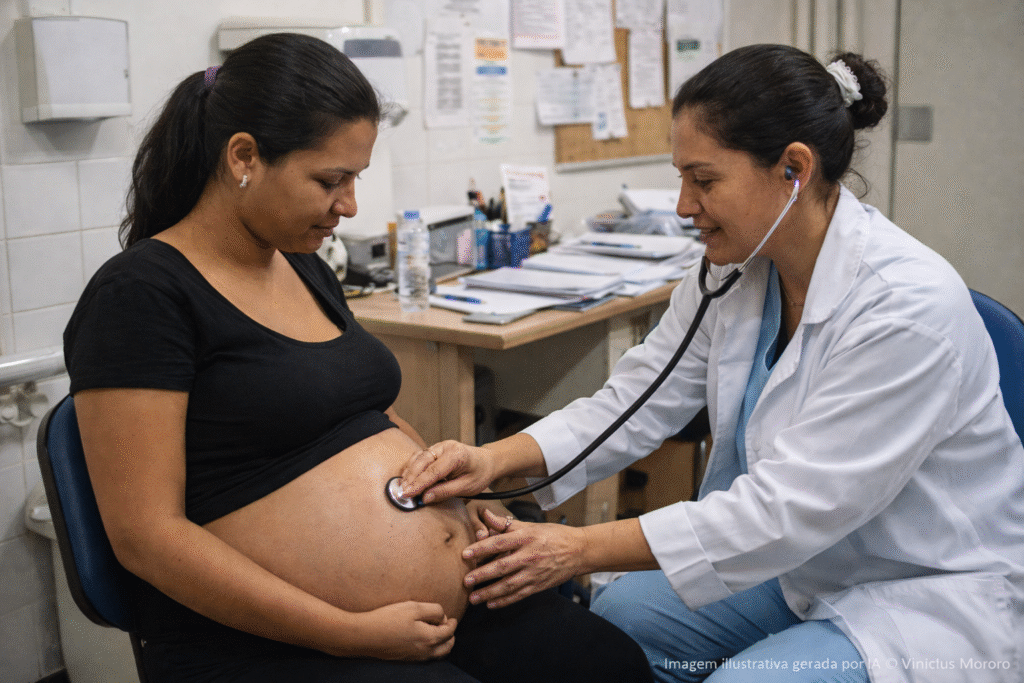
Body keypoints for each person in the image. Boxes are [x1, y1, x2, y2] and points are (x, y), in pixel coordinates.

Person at [398, 44, 1024, 682]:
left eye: (704, 181)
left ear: (794, 169)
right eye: (681, 179)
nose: (682, 206)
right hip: (804, 567)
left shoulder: (907, 308)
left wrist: (577, 548)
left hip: (923, 589)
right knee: (618, 624)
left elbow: (789, 509)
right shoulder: (735, 274)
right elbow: (634, 404)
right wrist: (492, 460)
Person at [63, 33, 654, 683]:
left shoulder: (303, 266)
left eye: (355, 179)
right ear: (244, 157)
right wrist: (344, 631)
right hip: (266, 640)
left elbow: (363, 413)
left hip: (436, 606)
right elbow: (146, 537)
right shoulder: (142, 294)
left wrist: (463, 502)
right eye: (330, 180)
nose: (348, 206)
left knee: (613, 666)